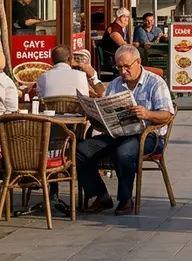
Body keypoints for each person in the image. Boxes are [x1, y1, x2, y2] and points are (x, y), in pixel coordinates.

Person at [78, 45, 175, 216]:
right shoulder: (116, 84)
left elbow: (167, 115)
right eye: (119, 67)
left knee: (123, 152)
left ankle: (125, 198)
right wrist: (97, 117)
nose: (123, 71)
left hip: (148, 136)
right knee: (81, 150)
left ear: (138, 62)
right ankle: (100, 195)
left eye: (127, 66)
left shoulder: (155, 83)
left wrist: (147, 113)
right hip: (117, 133)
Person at [38, 44, 103, 98]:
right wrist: (94, 76)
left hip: (51, 112)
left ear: (52, 61)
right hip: (77, 112)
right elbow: (102, 94)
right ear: (69, 59)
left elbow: (40, 99)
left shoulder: (43, 77)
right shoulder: (81, 75)